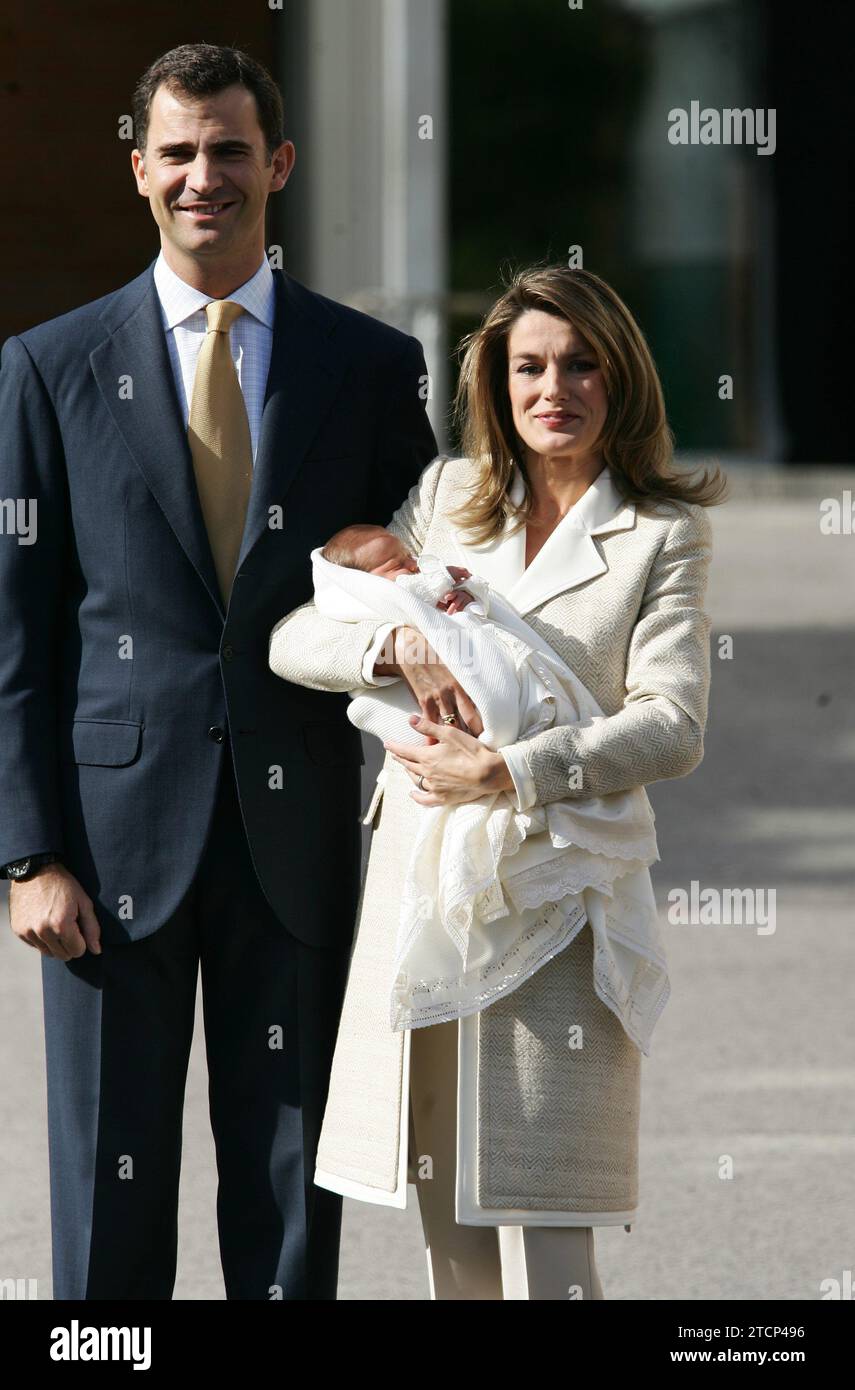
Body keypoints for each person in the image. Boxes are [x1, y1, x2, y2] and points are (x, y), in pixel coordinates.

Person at [0, 42, 437, 1300]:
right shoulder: (49, 365)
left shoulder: (368, 365)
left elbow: (420, 584)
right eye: (179, 153)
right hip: (105, 846)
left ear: (279, 164)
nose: (206, 177)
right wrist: (27, 855)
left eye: (230, 150)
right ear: (139, 170)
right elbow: (17, 631)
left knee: (293, 1175)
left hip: (293, 832)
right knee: (105, 1192)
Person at [269, 264, 726, 1300]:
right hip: (422, 893)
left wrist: (509, 769)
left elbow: (674, 721)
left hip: (558, 899)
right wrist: (397, 647)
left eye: (579, 363)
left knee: (550, 1218)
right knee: (451, 1234)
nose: (551, 387)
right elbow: (295, 636)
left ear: (621, 380)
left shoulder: (661, 531)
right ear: (497, 382)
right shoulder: (444, 503)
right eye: (528, 365)